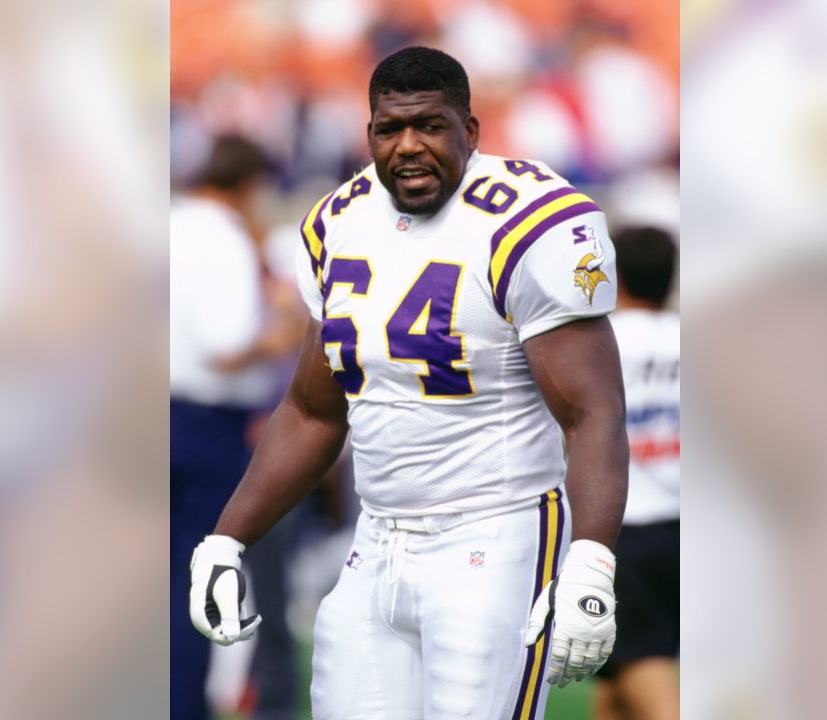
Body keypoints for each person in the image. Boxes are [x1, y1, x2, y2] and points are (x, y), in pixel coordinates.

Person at [188, 46, 628, 719]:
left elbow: (593, 412)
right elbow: (312, 410)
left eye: (430, 125)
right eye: (390, 129)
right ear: (368, 135)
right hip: (377, 542)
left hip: (497, 537)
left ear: (471, 132)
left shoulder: (529, 222)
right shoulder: (338, 222)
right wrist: (226, 539)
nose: (409, 147)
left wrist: (592, 562)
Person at [170, 135, 297, 720]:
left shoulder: (170, 221)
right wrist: (287, 330)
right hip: (203, 424)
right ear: (250, 185)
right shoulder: (221, 237)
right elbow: (227, 346)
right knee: (196, 582)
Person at [592, 226, 680, 720]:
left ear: (615, 276)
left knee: (643, 673)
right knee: (616, 688)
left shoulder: (602, 342)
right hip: (686, 524)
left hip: (626, 527)